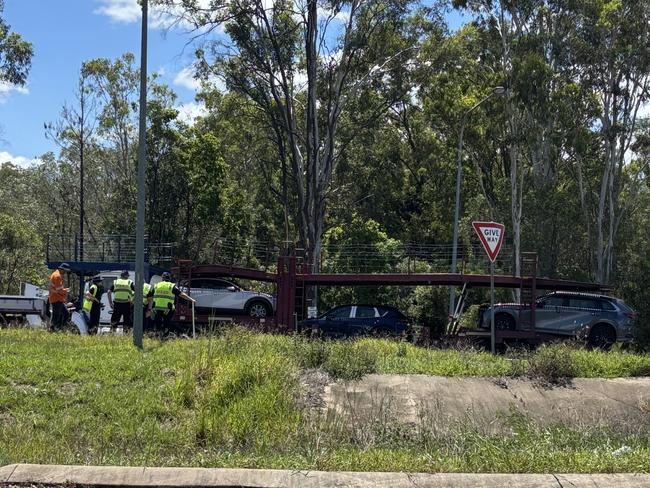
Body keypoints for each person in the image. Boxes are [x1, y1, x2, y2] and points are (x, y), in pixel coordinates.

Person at [48, 263, 71, 331]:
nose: (65, 272)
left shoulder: (55, 274)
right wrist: (66, 291)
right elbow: (59, 290)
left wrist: (64, 290)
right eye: (65, 271)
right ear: (62, 269)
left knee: (64, 314)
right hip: (56, 299)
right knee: (57, 316)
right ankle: (54, 329)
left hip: (56, 298)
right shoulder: (57, 276)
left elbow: (57, 289)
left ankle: (58, 328)